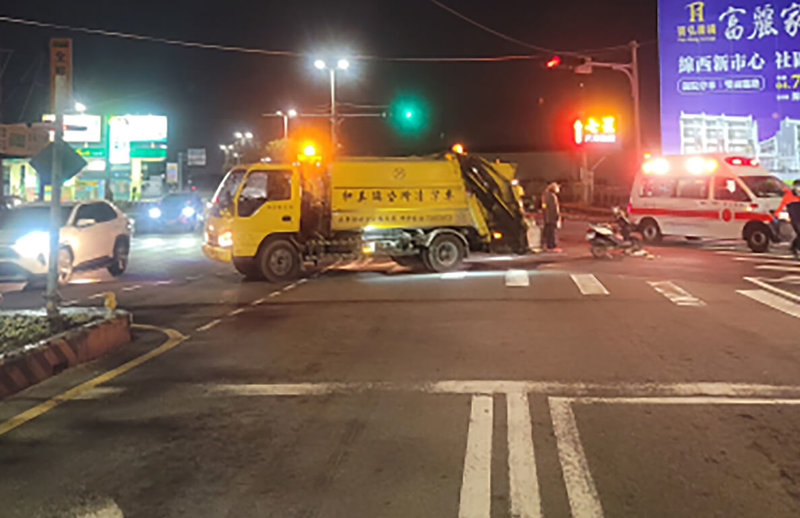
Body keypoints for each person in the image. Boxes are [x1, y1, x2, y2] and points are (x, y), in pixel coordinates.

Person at [777, 180, 800, 259]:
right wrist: (776, 214)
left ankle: (794, 247)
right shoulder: (789, 195)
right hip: (795, 218)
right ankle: (795, 248)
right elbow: (782, 205)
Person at [541, 182, 561, 252]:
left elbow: (544, 206)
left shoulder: (545, 195)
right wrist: (557, 217)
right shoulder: (552, 196)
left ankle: (544, 244)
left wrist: (545, 213)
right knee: (552, 232)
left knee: (547, 231)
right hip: (552, 217)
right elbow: (554, 208)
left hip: (547, 217)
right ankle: (552, 246)